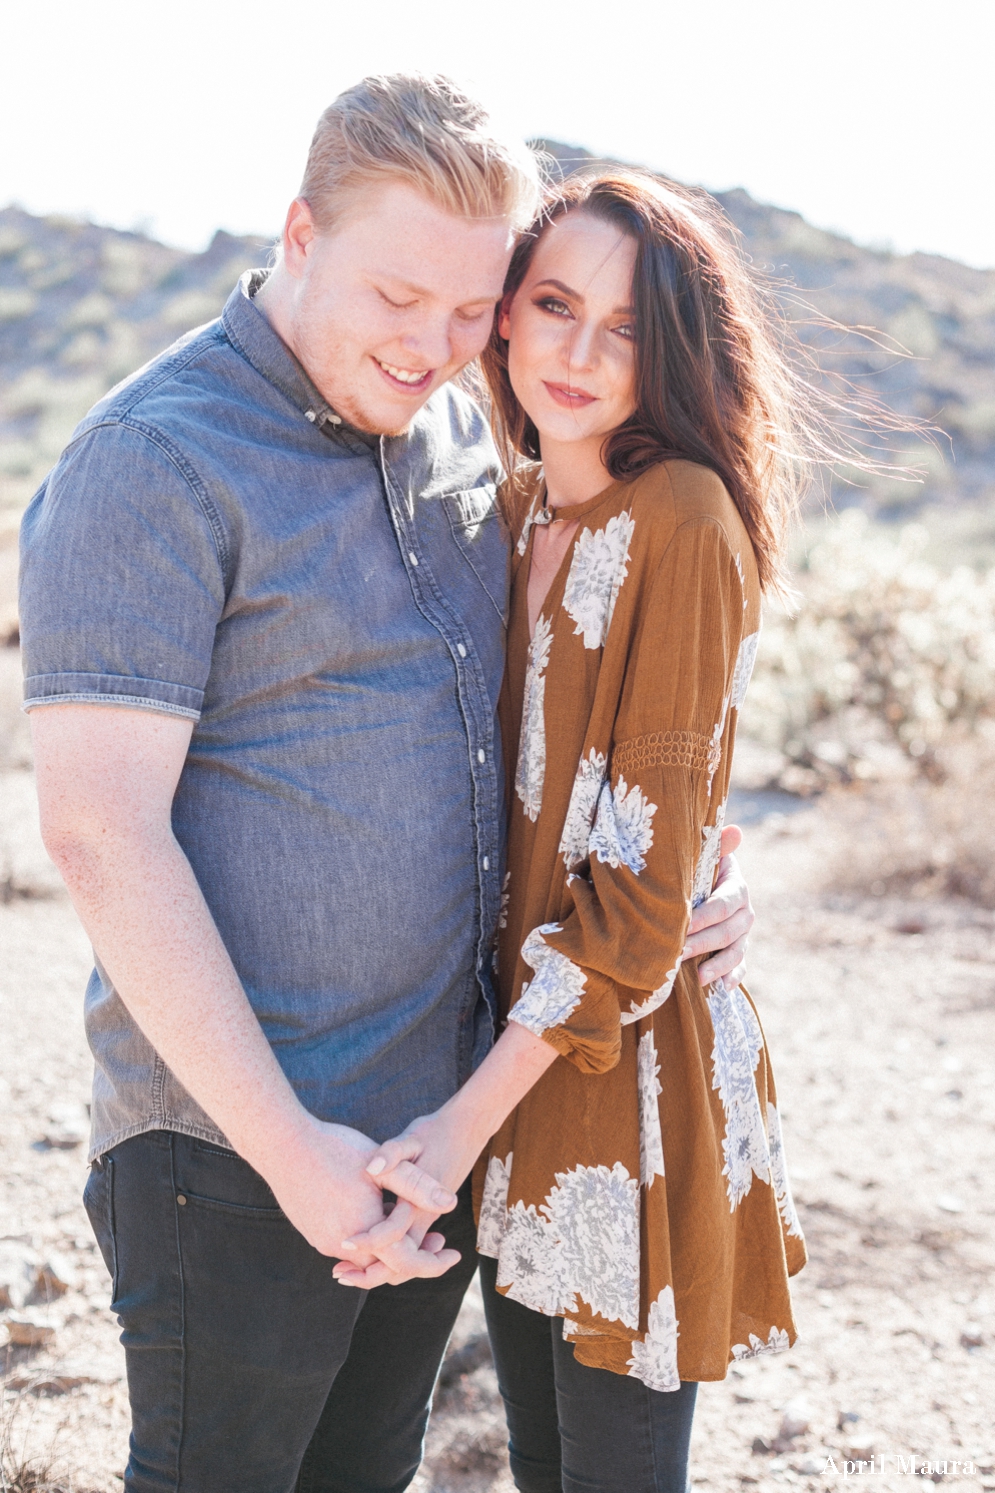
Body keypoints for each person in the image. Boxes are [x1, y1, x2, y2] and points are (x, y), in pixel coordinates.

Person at [18, 78, 753, 1493]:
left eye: (475, 309)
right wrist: (294, 1150)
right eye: (398, 295)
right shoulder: (156, 459)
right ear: (299, 234)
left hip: (433, 1142)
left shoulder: (466, 438)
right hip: (236, 1149)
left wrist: (696, 877)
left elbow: (585, 731)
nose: (434, 346)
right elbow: (99, 834)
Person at [336, 170, 809, 1493]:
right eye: (552, 305)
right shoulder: (513, 512)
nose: (580, 351)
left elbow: (645, 889)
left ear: (678, 353)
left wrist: (452, 1130)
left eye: (627, 326)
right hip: (517, 1066)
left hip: (630, 1078)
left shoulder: (686, 522)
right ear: (504, 317)